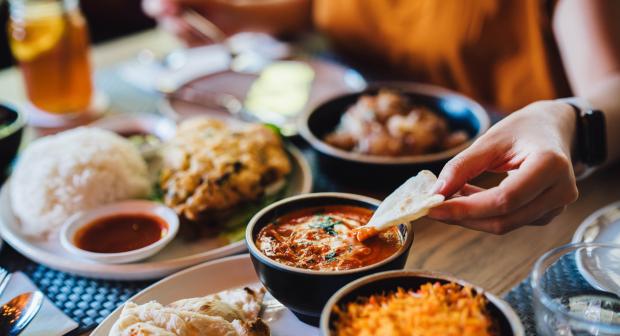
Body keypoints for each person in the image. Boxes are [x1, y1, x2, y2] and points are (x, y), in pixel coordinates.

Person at [143, 0, 620, 234]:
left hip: (519, 200)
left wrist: (565, 120)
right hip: (336, 181)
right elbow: (312, 10)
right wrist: (225, 14)